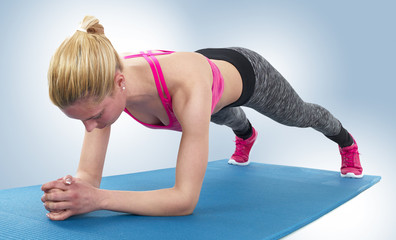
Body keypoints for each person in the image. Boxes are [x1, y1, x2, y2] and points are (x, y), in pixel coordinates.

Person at [41, 16, 363, 221]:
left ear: (120, 84)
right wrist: (70, 191)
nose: (91, 127)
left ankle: (345, 141)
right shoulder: (99, 85)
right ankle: (246, 135)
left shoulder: (188, 91)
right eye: (81, 120)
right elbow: (88, 176)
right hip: (204, 82)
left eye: (95, 117)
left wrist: (98, 200)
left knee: (298, 114)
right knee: (222, 116)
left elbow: (185, 200)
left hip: (248, 74)